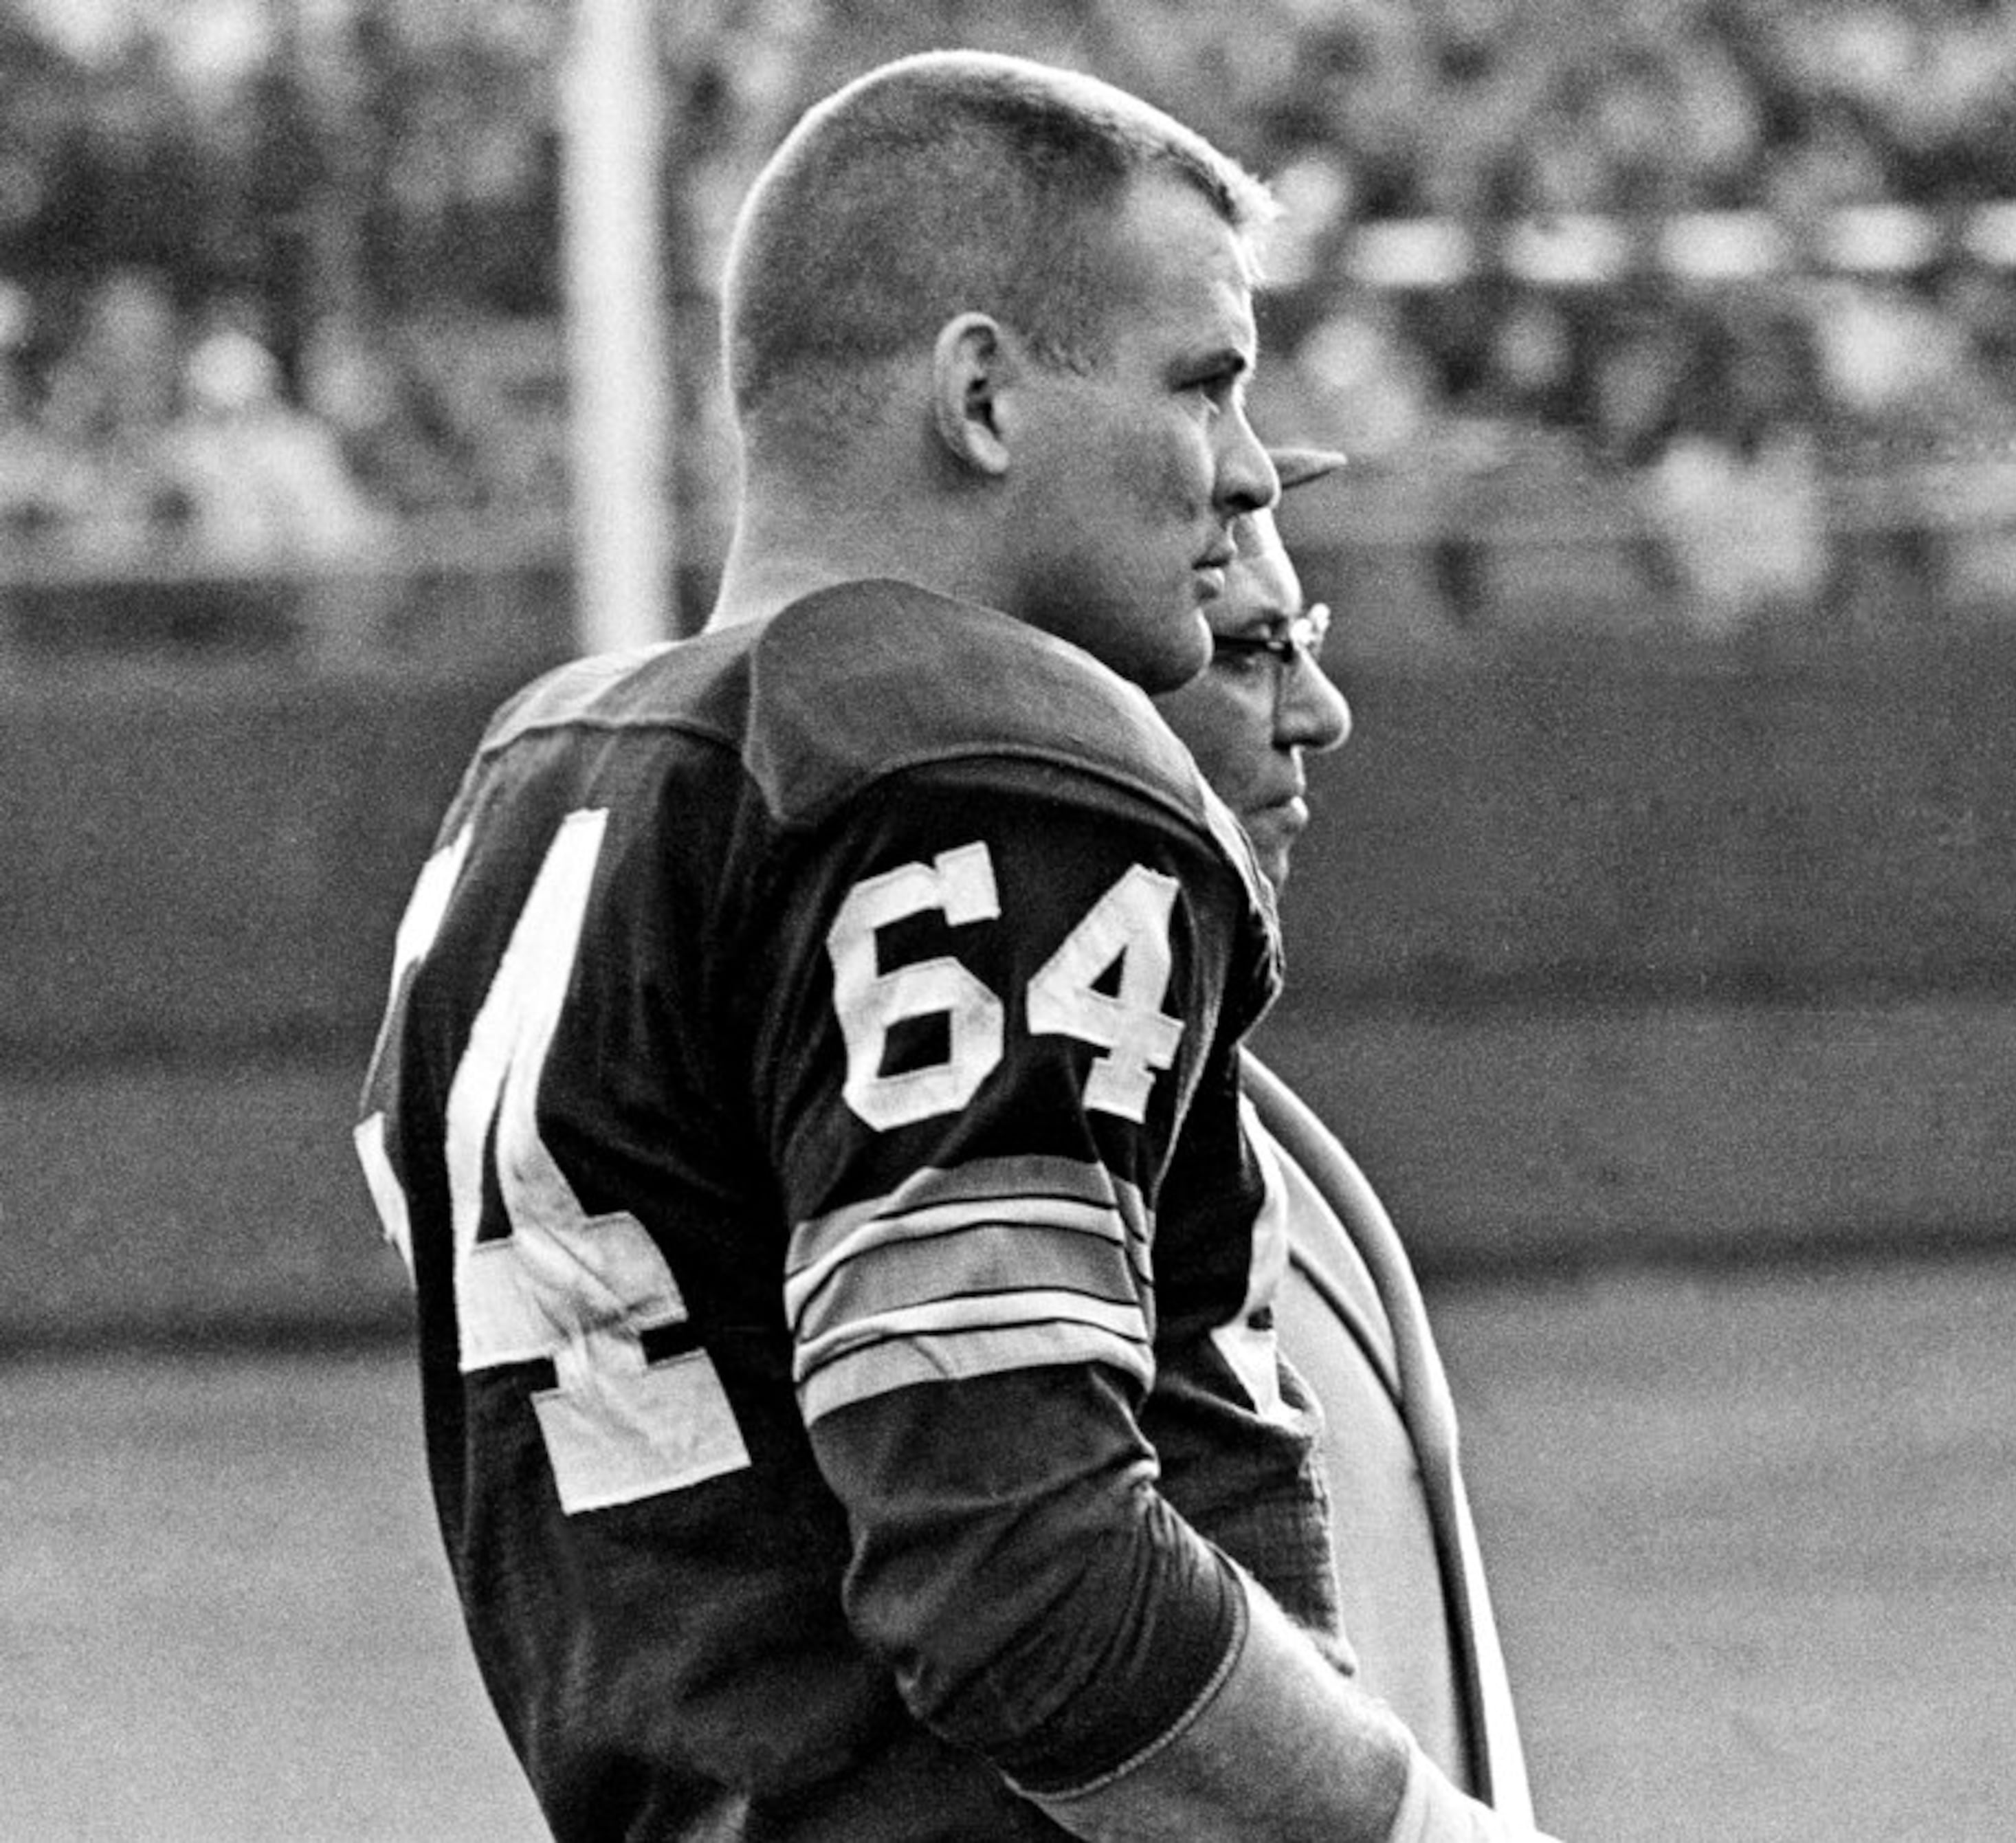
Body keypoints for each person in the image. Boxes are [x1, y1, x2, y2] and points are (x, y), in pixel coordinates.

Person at [353, 50, 1551, 1843]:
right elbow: (1029, 1582)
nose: (1235, 467)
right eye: (1203, 384)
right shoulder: (968, 755)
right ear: (981, 394)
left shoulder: (547, 783)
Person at [1152, 445, 1538, 1829]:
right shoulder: (1011, 1164)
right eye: (1249, 651)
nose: (1321, 713)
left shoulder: (1229, 1117)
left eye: (1302, 640)